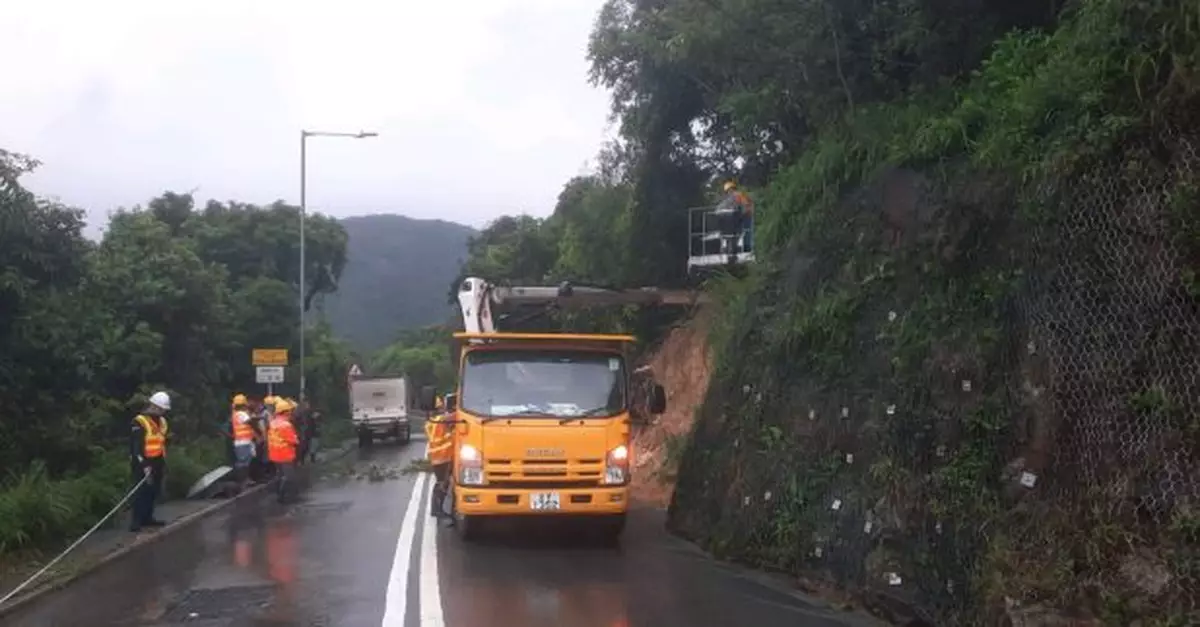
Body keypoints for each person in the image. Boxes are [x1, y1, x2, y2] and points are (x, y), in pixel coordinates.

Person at [130, 391, 171, 532]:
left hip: (158, 460)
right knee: (141, 490)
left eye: (164, 410)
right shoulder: (139, 421)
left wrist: (163, 461)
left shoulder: (163, 422)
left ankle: (148, 518)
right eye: (160, 409)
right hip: (143, 461)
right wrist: (144, 465)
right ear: (153, 406)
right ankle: (136, 521)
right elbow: (136, 447)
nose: (162, 412)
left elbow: (161, 442)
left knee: (153, 491)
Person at [425, 395, 455, 520]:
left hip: (438, 457)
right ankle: (437, 510)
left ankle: (436, 509)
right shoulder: (440, 420)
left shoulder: (430, 422)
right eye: (441, 406)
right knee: (442, 483)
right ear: (439, 407)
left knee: (442, 483)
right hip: (443, 456)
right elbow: (455, 416)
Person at [268, 398, 301, 503]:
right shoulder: (286, 425)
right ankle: (281, 496)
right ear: (285, 412)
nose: (291, 413)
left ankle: (278, 493)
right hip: (285, 454)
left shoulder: (272, 423)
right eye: (289, 411)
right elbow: (294, 441)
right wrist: (296, 439)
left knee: (279, 474)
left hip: (274, 453)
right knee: (289, 476)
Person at [716, 180, 755, 253]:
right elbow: (722, 206)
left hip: (747, 215)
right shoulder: (732, 197)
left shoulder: (737, 195)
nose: (729, 193)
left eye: (729, 191)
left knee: (745, 232)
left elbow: (745, 205)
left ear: (731, 189)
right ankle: (735, 248)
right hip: (740, 217)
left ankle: (746, 248)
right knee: (738, 233)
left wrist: (741, 214)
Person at [230, 393, 256, 486]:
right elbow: (250, 421)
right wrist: (259, 418)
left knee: (245, 462)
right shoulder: (241, 413)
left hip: (242, 441)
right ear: (244, 404)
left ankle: (245, 480)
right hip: (243, 442)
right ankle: (242, 480)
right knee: (243, 463)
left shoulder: (235, 414)